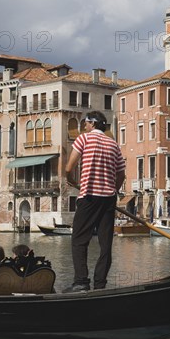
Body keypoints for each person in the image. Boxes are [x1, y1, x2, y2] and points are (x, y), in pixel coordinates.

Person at [64, 111, 125, 292]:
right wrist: (113, 189)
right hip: (108, 200)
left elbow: (69, 167)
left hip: (89, 196)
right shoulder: (113, 144)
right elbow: (121, 174)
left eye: (86, 122)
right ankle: (100, 285)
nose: (83, 126)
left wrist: (72, 180)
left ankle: (81, 282)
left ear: (92, 124)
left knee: (79, 240)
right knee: (105, 244)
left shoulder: (83, 139)